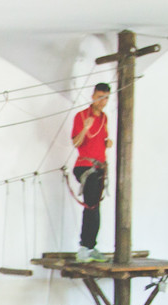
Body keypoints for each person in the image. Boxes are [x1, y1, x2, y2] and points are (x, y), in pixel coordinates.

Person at [70, 83, 113, 263]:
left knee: (94, 206)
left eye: (106, 98)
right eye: (100, 97)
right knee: (92, 206)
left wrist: (107, 142)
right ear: (93, 96)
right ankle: (85, 247)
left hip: (99, 168)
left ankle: (89, 246)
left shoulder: (104, 118)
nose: (102, 101)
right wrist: (85, 129)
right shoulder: (81, 116)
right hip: (85, 167)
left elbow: (102, 139)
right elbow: (76, 143)